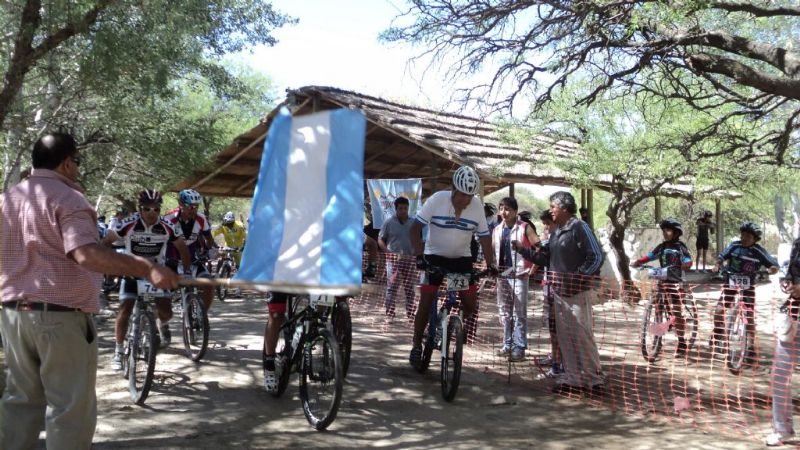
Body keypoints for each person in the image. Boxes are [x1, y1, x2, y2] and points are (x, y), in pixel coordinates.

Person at [0, 133, 180, 450]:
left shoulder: (8, 199)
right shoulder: (68, 199)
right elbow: (86, 254)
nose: (78, 170)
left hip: (14, 315)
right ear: (68, 163)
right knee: (70, 408)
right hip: (59, 317)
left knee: (20, 401)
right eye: (78, 163)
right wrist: (147, 268)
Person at [513, 191, 605, 394]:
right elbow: (546, 259)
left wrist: (579, 276)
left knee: (582, 335)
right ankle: (573, 377)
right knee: (566, 337)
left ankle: (593, 379)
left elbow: (597, 256)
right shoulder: (557, 232)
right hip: (559, 293)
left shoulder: (579, 227)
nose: (551, 211)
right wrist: (522, 251)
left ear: (564, 208)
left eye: (553, 206)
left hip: (577, 293)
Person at [408, 165, 498, 366]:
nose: (466, 200)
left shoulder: (475, 206)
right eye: (462, 195)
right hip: (434, 257)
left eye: (470, 196)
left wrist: (491, 264)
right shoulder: (437, 200)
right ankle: (416, 344)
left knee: (470, 304)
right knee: (426, 299)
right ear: (453, 190)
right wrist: (419, 256)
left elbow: (484, 237)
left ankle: (449, 323)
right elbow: (415, 229)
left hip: (460, 261)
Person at [102, 189, 192, 362]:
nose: (152, 213)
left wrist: (186, 272)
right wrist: (108, 266)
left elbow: (182, 247)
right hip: (132, 272)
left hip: (156, 273)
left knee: (166, 312)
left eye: (156, 209)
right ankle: (119, 351)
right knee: (125, 310)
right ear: (139, 208)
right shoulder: (128, 223)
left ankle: (161, 324)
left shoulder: (167, 225)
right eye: (147, 209)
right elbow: (106, 242)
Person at [710, 221, 778, 359]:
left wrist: (769, 271)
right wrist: (717, 265)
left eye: (748, 236)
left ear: (754, 239)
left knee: (749, 316)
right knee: (718, 311)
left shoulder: (758, 251)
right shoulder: (734, 246)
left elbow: (774, 266)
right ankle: (719, 334)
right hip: (731, 282)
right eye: (743, 235)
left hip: (748, 287)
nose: (744, 238)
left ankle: (751, 346)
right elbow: (722, 257)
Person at [631, 219, 693, 356]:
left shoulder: (680, 247)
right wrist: (638, 262)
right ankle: (657, 340)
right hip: (662, 281)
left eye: (668, 230)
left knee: (677, 311)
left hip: (676, 282)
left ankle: (682, 341)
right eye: (664, 230)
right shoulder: (662, 247)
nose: (665, 233)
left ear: (676, 233)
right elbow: (650, 256)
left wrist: (686, 264)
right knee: (657, 308)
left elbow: (688, 260)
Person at [493, 197, 540, 361]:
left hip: (519, 275)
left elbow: (539, 248)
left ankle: (519, 348)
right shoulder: (497, 229)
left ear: (515, 211)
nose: (503, 212)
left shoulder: (525, 228)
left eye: (507, 209)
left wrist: (533, 268)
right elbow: (493, 252)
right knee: (505, 313)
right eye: (501, 208)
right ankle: (507, 344)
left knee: (519, 313)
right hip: (502, 275)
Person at [767, 236, 800, 446]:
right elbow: (792, 273)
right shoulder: (798, 243)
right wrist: (788, 283)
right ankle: (782, 430)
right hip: (793, 314)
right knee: (780, 375)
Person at [164, 189, 217, 311]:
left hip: (193, 260)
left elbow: (208, 237)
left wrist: (209, 250)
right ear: (181, 204)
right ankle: (162, 323)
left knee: (209, 283)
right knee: (163, 291)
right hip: (172, 261)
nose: (193, 210)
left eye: (196, 206)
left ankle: (202, 314)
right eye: (190, 206)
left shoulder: (201, 219)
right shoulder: (169, 218)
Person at [378, 197, 416, 321]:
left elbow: (420, 240)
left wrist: (417, 253)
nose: (403, 210)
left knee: (409, 287)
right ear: (396, 209)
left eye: (405, 208)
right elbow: (380, 240)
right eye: (400, 208)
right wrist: (387, 252)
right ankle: (390, 314)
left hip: (409, 260)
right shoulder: (388, 222)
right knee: (391, 287)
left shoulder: (413, 222)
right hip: (393, 260)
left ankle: (411, 314)